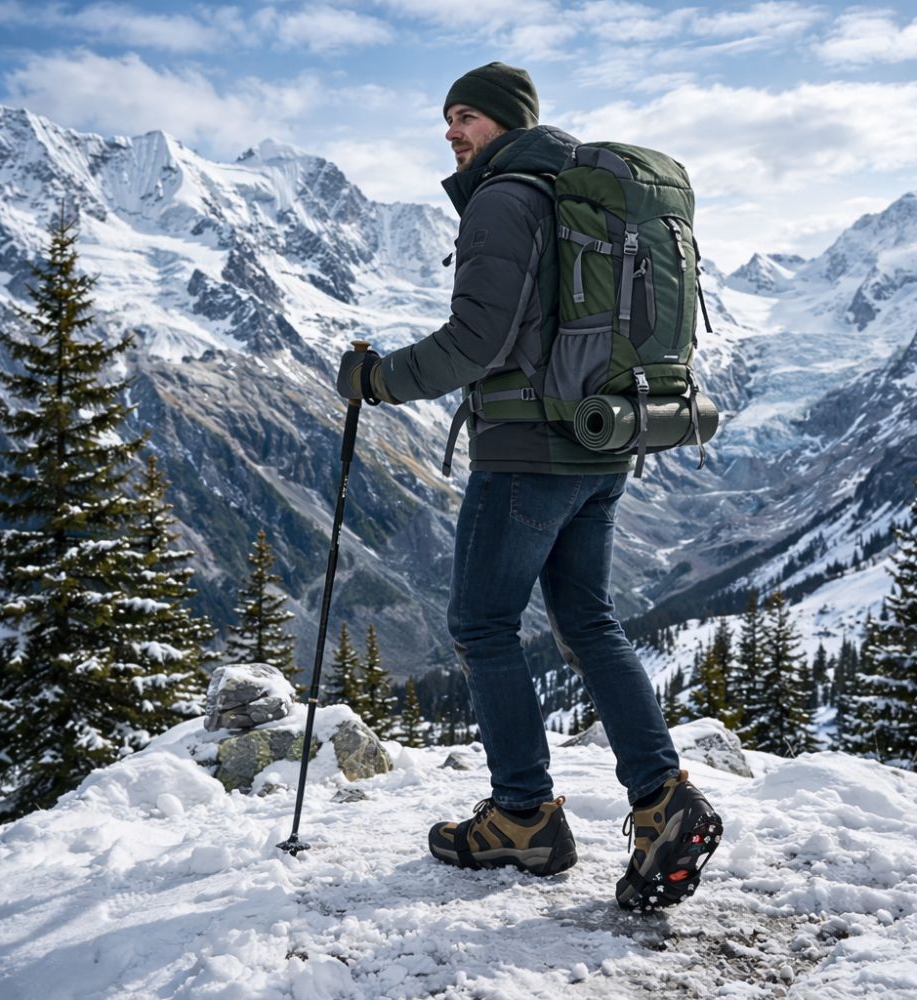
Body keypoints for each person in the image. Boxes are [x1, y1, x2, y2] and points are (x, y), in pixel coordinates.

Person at [336, 62, 722, 910]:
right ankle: (662, 799)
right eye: (446, 118)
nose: (450, 132)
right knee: (587, 618)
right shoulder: (573, 192)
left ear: (506, 121)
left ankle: (521, 817)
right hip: (604, 444)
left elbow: (474, 342)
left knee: (482, 621)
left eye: (465, 116)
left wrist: (374, 382)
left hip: (526, 455)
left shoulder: (503, 199)